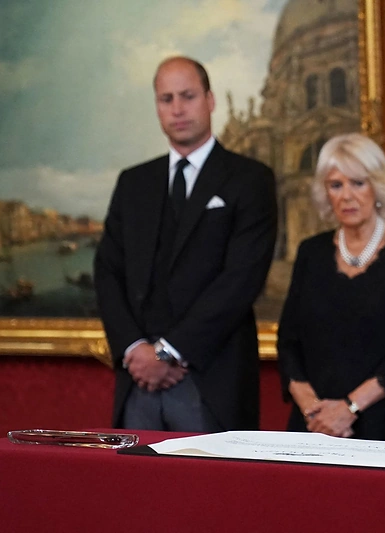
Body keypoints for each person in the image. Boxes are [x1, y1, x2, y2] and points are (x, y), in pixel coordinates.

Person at [94, 56, 277, 432]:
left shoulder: (250, 179)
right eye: (166, 99)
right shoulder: (133, 183)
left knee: (211, 491)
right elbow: (108, 271)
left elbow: (241, 279)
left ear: (210, 100)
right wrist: (135, 351)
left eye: (188, 96)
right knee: (133, 490)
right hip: (138, 380)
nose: (177, 109)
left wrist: (168, 352)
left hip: (211, 379)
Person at [277, 133, 385, 440]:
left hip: (384, 424)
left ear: (378, 187)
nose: (346, 195)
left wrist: (348, 408)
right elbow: (288, 343)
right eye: (336, 185)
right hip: (312, 426)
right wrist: (314, 412)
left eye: (358, 183)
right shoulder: (311, 252)